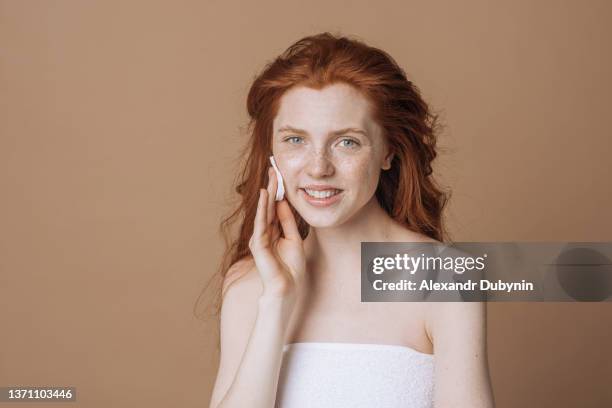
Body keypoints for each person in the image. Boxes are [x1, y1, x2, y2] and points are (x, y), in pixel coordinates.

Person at [207, 32, 495, 408]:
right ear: (271, 150)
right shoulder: (248, 286)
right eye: (295, 140)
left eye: (347, 142)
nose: (318, 167)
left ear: (388, 151)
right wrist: (276, 302)